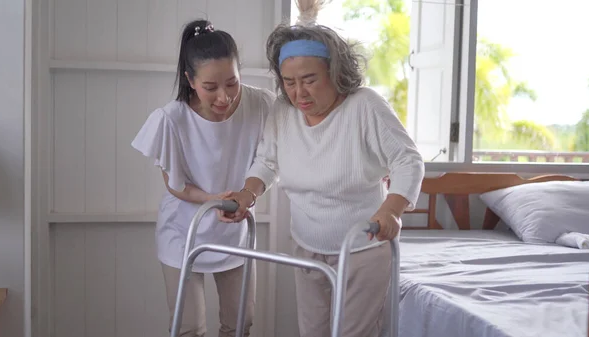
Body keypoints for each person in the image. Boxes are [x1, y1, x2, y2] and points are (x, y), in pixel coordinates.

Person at [218, 1, 425, 336]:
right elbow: (267, 161)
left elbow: (407, 160)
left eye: (310, 79)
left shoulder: (365, 106)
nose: (299, 92)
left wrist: (391, 210)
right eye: (289, 81)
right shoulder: (283, 112)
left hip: (363, 247)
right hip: (308, 245)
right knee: (312, 332)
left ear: (334, 71)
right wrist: (247, 194)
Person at [131, 19, 275, 337]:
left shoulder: (261, 104)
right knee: (188, 328)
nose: (224, 97)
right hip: (184, 234)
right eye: (210, 87)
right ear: (190, 80)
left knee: (240, 323)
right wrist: (214, 201)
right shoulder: (171, 119)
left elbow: (271, 160)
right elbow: (175, 184)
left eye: (232, 83)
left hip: (234, 232)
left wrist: (245, 197)